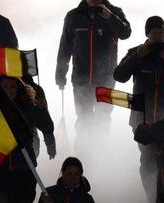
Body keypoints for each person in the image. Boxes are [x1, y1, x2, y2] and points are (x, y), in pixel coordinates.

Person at [114, 16, 164, 203]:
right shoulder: (136, 52)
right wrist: (136, 57)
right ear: (147, 34)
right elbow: (119, 75)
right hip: (142, 120)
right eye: (153, 33)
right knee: (148, 162)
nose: (157, 36)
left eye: (160, 32)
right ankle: (153, 201)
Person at [56, 0, 131, 139]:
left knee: (103, 119)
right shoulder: (73, 16)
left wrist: (110, 17)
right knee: (83, 120)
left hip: (107, 80)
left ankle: (101, 156)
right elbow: (65, 47)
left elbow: (126, 33)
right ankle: (82, 155)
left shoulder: (115, 12)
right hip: (81, 80)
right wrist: (60, 74)